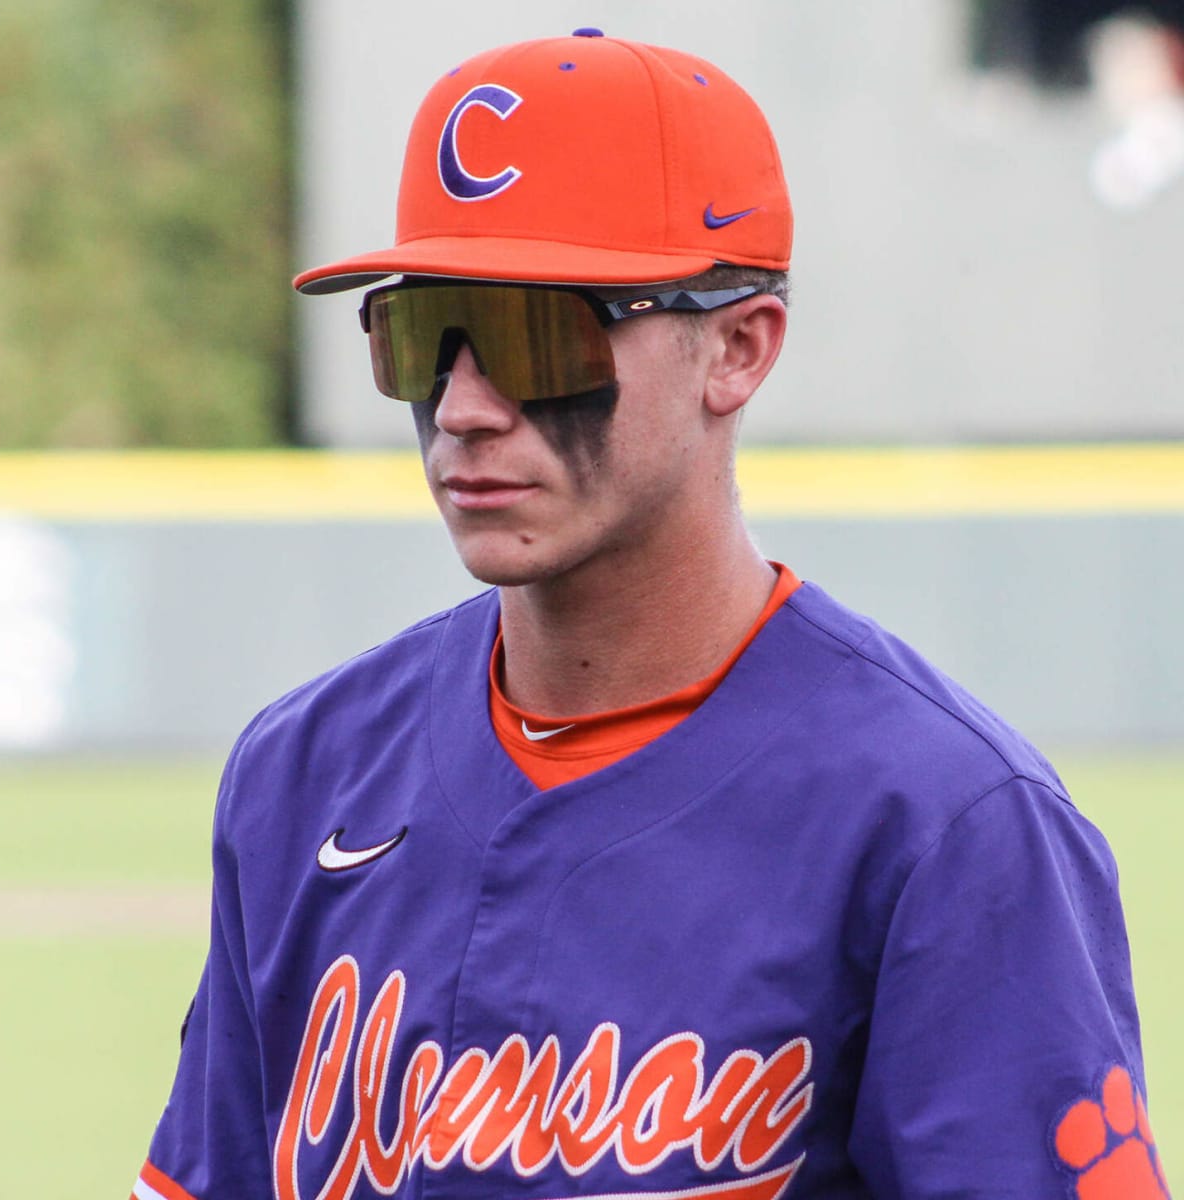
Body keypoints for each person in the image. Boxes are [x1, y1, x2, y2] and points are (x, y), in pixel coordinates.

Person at [132, 29, 1170, 1200]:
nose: (464, 406)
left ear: (738, 347)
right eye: (425, 334)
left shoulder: (945, 823)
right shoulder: (303, 772)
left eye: (538, 332)